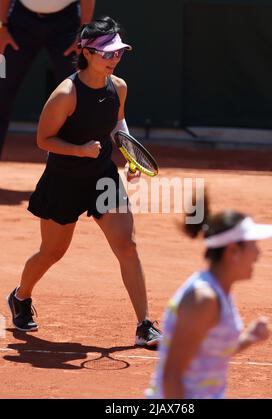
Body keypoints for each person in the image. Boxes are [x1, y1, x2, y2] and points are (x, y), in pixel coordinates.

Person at [7, 16, 162, 348]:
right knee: (52, 252)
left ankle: (144, 325)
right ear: (87, 52)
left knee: (127, 246)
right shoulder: (65, 94)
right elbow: (44, 140)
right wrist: (78, 150)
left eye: (118, 52)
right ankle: (21, 296)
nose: (114, 59)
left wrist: (131, 157)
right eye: (107, 53)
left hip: (102, 177)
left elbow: (118, 124)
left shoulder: (118, 86)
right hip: (63, 181)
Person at [146, 192, 272, 398]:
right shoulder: (203, 299)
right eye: (254, 245)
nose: (258, 254)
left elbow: (209, 353)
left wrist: (249, 339)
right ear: (233, 251)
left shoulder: (218, 291)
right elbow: (171, 375)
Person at [0, 0, 95, 158]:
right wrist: (2, 26)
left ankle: (80, 167)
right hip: (19, 21)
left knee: (78, 93)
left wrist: (83, 33)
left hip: (67, 24)